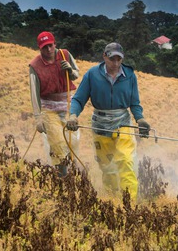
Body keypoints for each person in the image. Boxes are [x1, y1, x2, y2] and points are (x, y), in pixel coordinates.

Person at [66, 42, 151, 200]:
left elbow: (134, 103)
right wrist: (73, 115)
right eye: (112, 59)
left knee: (125, 161)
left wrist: (141, 120)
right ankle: (112, 200)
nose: (116, 63)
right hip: (100, 125)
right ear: (104, 56)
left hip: (123, 123)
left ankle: (129, 203)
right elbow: (78, 99)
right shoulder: (92, 75)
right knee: (107, 167)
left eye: (119, 59)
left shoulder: (129, 75)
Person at [29, 31, 80, 175]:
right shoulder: (34, 66)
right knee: (57, 143)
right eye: (45, 47)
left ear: (55, 44)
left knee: (72, 142)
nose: (49, 50)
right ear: (40, 48)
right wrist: (38, 118)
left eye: (50, 46)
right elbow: (34, 93)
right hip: (48, 108)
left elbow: (76, 74)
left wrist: (70, 71)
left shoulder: (65, 54)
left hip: (67, 105)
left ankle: (73, 173)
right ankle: (62, 176)